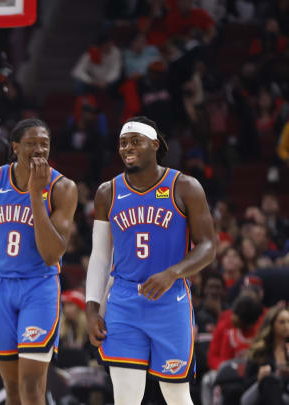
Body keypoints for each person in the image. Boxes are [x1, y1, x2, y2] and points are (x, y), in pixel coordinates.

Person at [85, 116, 217, 405]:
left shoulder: (184, 186)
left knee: (177, 395)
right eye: (122, 143)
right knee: (126, 398)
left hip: (170, 302)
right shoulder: (108, 192)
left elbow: (208, 246)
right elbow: (100, 256)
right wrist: (92, 307)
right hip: (123, 301)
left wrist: (173, 272)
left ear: (155, 144)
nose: (127, 147)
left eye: (135, 141)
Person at [0, 118, 78, 405]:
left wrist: (36, 195)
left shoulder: (62, 187)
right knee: (12, 389)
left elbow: (52, 254)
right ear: (15, 147)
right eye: (31, 143)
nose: (39, 149)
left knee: (31, 385)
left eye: (44, 144)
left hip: (38, 288)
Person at [241, 304, 289, 405]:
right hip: (257, 393)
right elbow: (245, 384)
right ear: (272, 325)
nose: (287, 326)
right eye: (282, 322)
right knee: (269, 380)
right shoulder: (260, 350)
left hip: (284, 395)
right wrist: (259, 377)